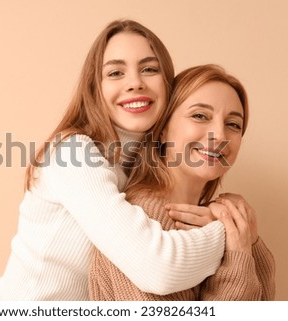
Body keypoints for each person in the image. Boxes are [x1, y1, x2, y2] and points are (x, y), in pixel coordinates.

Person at [0, 20, 227, 301]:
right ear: (95, 88)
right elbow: (157, 268)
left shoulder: (146, 166)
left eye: (149, 69)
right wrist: (231, 234)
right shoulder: (74, 154)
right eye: (115, 72)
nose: (135, 83)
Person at [89, 64, 276, 300]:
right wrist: (237, 253)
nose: (219, 135)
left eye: (233, 124)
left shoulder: (217, 221)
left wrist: (248, 238)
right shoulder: (142, 224)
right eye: (200, 116)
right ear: (163, 129)